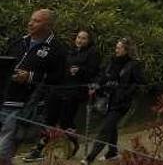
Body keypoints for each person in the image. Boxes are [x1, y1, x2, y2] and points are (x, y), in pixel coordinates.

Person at [1, 9, 66, 165]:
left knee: (3, 151)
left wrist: (30, 77)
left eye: (37, 21)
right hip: (4, 99)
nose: (30, 23)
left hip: (24, 106)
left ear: (49, 25)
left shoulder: (57, 50)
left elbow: (59, 79)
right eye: (31, 19)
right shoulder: (18, 42)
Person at [24, 30, 99, 162]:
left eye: (84, 38)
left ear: (89, 41)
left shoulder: (91, 54)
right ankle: (38, 149)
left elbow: (94, 72)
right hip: (58, 89)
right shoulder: (69, 51)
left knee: (65, 123)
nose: (80, 40)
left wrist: (80, 70)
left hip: (74, 92)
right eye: (78, 37)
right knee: (49, 120)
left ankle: (74, 143)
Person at [83, 38, 145, 164]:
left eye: (119, 48)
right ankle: (112, 152)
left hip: (122, 102)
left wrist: (125, 92)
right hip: (108, 99)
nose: (116, 50)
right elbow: (103, 76)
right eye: (116, 47)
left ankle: (90, 158)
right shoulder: (112, 62)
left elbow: (140, 83)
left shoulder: (134, 65)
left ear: (126, 50)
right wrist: (95, 85)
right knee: (111, 127)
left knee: (105, 128)